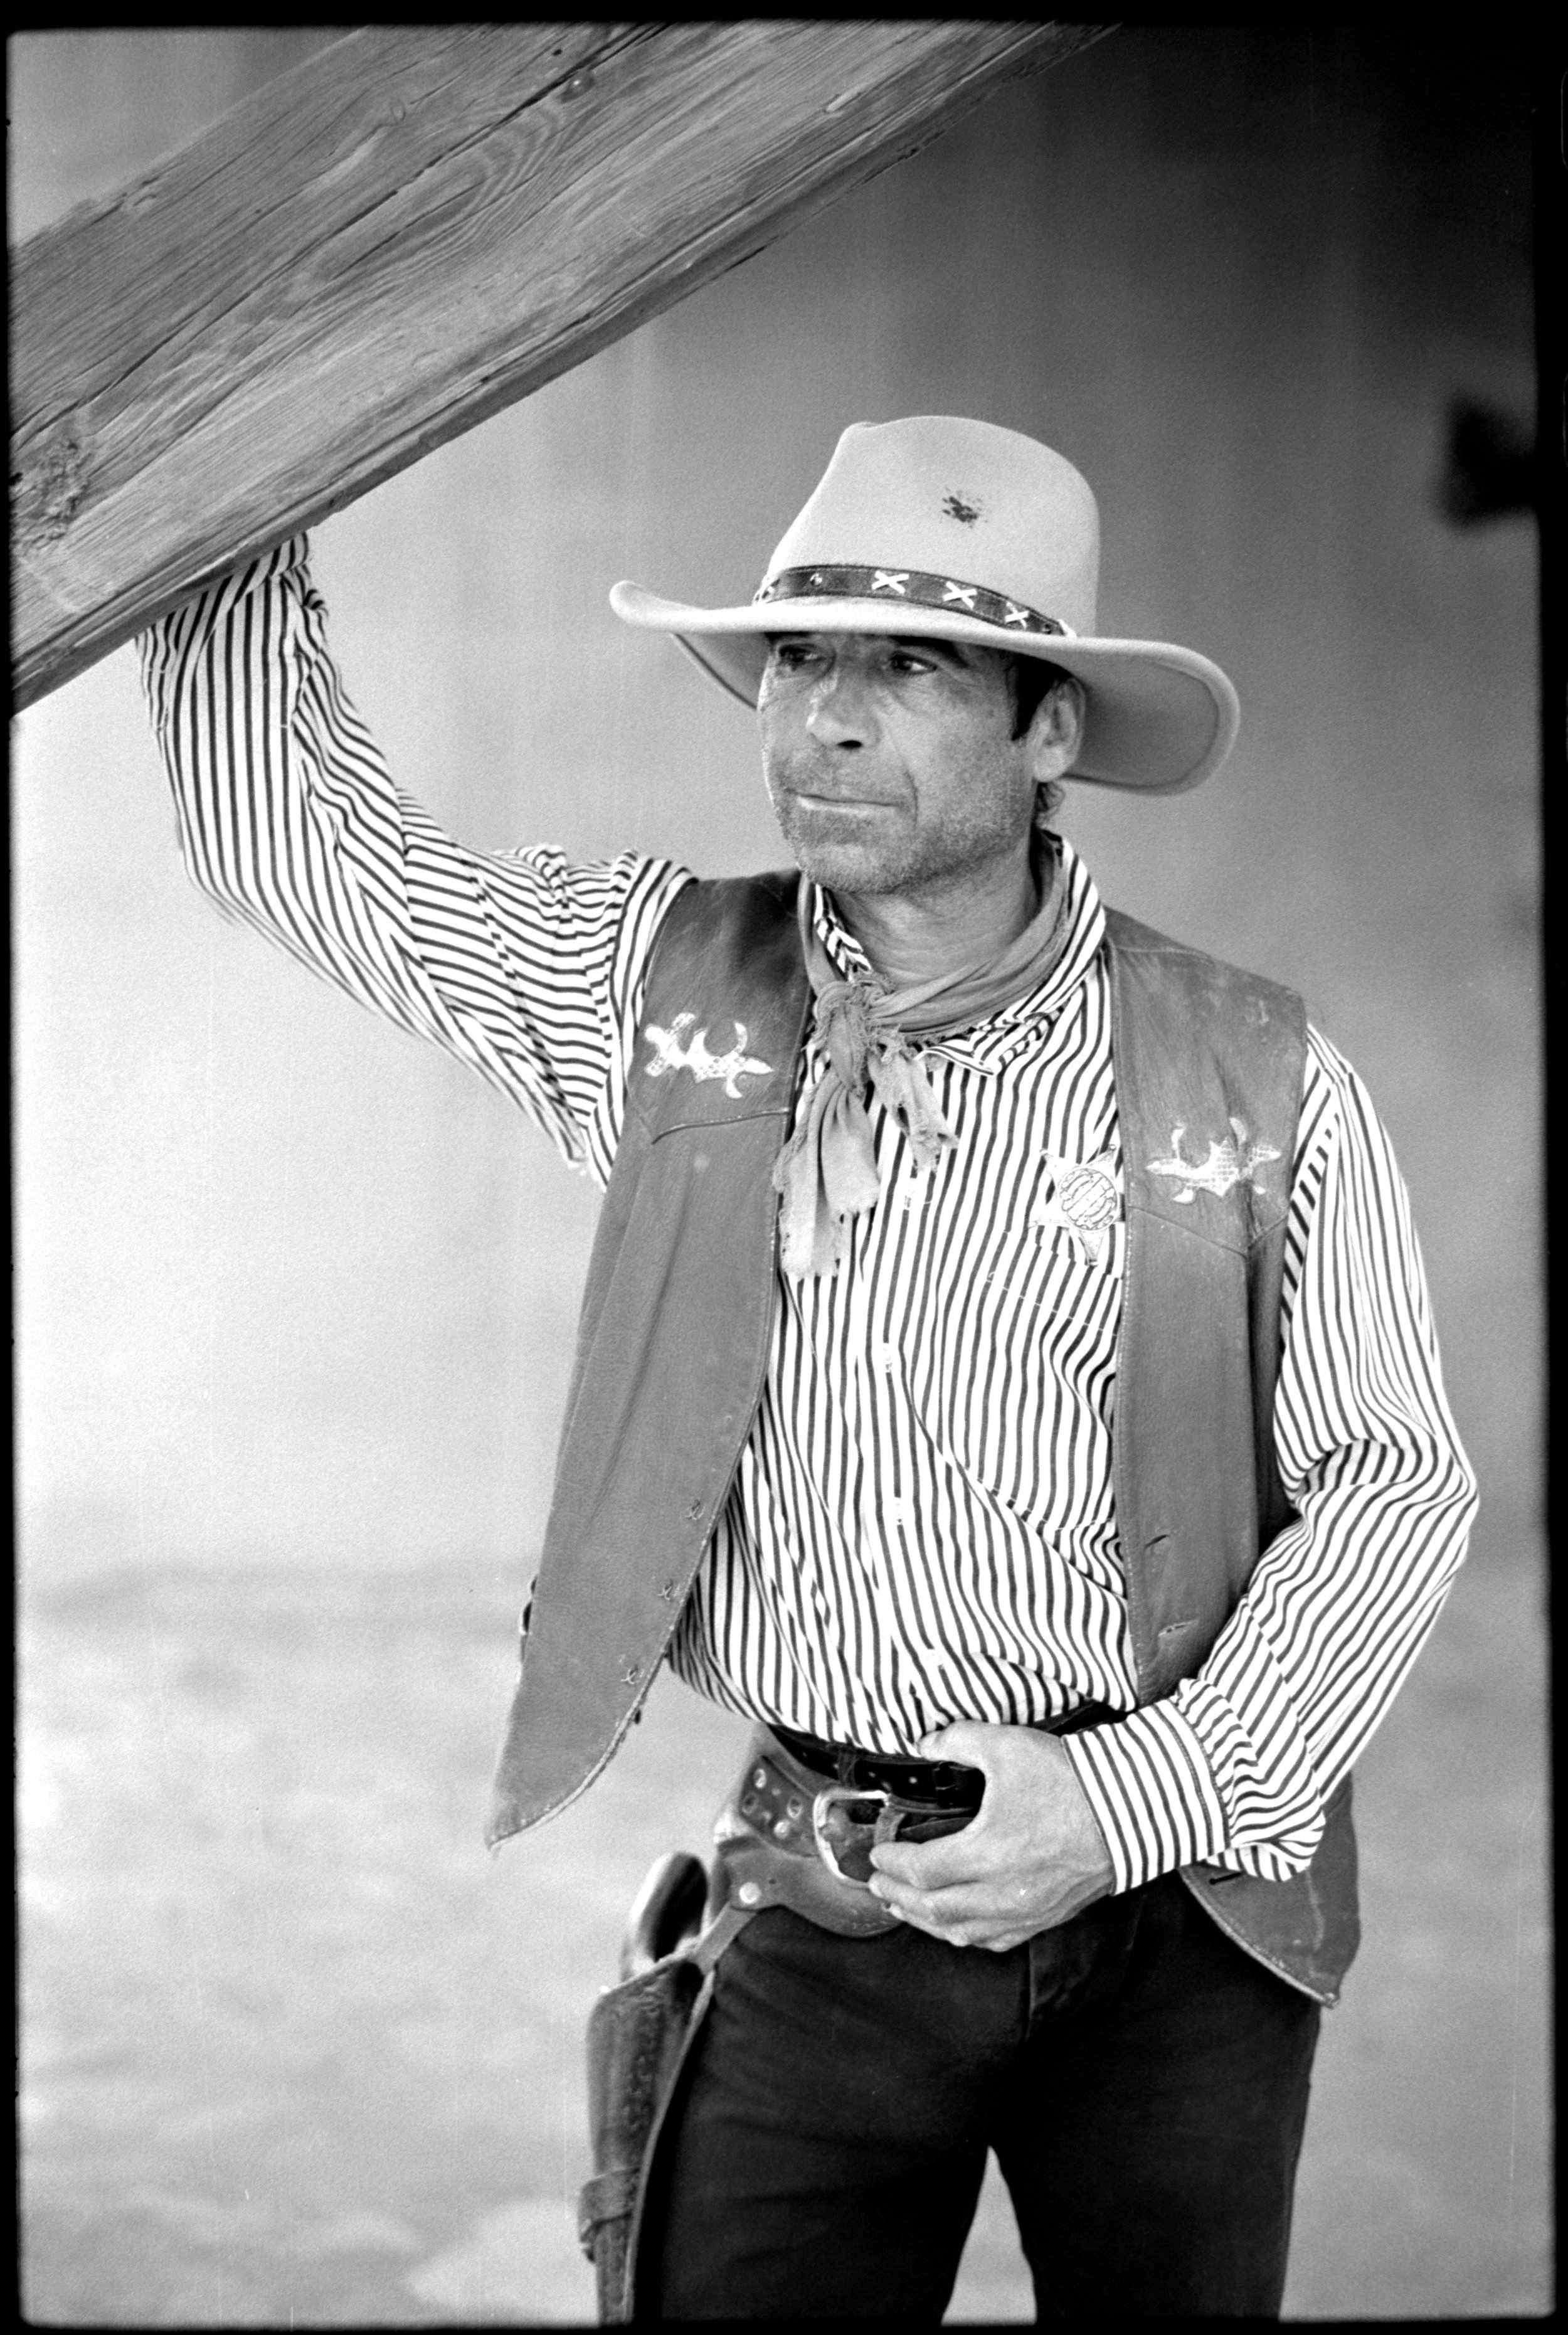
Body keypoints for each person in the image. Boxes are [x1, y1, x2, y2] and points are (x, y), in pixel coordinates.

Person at [140, 415, 1476, 2321]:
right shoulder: (656, 990)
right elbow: (318, 852)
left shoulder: (1255, 1074)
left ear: (1047, 734)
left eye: (909, 664)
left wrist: (1128, 1801)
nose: (822, 720)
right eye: (799, 657)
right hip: (821, 1889)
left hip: (1180, 1916)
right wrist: (215, 494)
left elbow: (1395, 1483)